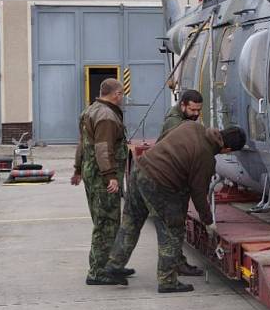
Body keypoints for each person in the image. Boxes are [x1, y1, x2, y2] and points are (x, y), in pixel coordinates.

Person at [104, 123, 246, 293]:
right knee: (172, 231)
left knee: (131, 222)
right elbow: (199, 193)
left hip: (140, 168)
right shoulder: (206, 157)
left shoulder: (193, 127)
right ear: (227, 149)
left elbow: (164, 138)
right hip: (159, 183)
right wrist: (208, 221)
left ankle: (114, 264)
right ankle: (167, 281)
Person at [71, 78, 129, 286]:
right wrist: (110, 176)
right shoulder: (106, 116)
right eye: (122, 94)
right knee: (106, 223)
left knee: (107, 221)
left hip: (91, 173)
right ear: (116, 94)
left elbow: (83, 143)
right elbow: (103, 148)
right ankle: (98, 271)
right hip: (102, 177)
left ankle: (112, 265)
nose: (122, 98)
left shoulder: (90, 110)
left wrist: (78, 169)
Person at [157, 89, 205, 277]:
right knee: (173, 229)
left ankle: (177, 262)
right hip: (170, 182)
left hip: (174, 180)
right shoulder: (175, 124)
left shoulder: (182, 119)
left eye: (198, 110)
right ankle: (172, 268)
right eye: (193, 110)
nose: (196, 114)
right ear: (183, 105)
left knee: (176, 228)